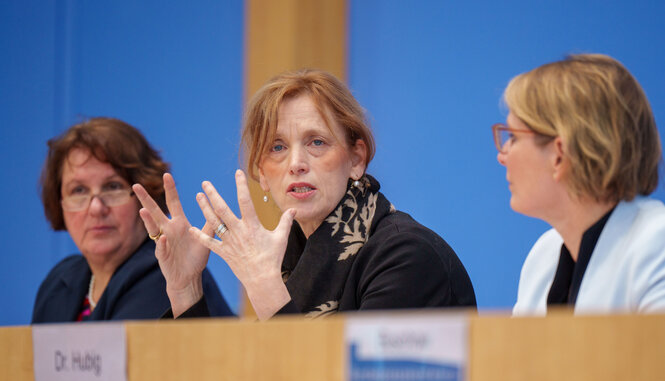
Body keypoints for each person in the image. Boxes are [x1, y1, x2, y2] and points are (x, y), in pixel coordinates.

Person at [133, 69, 476, 320]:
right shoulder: (290, 261)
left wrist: (264, 286)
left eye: (317, 142)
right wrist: (185, 288)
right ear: (262, 176)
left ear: (356, 160)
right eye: (277, 147)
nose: (297, 163)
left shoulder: (405, 256)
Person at [494, 54, 665, 315]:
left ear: (559, 155)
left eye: (514, 137)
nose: (502, 155)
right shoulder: (543, 256)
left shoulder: (657, 243)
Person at [33, 117, 233, 323]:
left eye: (113, 187)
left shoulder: (165, 273)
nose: (95, 208)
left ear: (145, 196)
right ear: (60, 202)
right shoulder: (59, 282)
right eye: (79, 190)